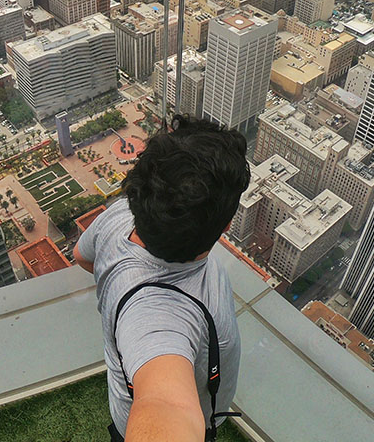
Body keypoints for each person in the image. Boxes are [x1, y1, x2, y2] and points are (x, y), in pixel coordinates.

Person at [73, 115, 250, 442]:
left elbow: (82, 256)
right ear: (225, 228)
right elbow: (165, 405)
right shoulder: (157, 319)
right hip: (196, 419)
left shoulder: (120, 214)